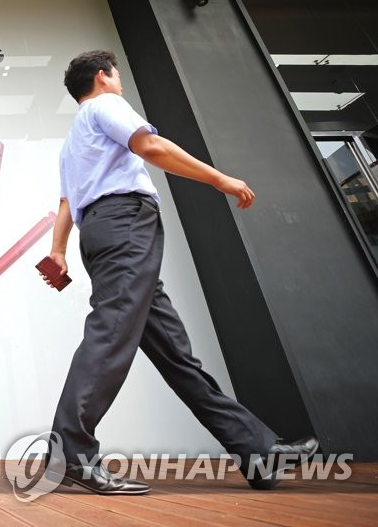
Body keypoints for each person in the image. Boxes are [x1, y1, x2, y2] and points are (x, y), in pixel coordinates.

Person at [39, 50, 317, 495]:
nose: (121, 82)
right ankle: (70, 456)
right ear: (102, 77)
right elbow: (150, 146)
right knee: (110, 333)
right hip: (126, 225)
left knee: (177, 358)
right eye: (118, 74)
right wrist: (219, 179)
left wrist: (58, 251)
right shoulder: (105, 105)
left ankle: (256, 450)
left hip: (104, 234)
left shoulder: (74, 139)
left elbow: (67, 204)